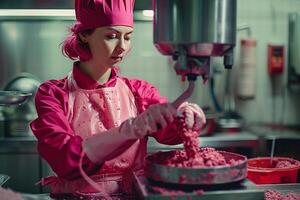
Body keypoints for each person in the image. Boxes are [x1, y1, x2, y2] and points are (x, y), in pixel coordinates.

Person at [30, 0, 206, 198]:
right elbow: (66, 159)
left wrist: (185, 116)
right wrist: (130, 130)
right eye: (111, 36)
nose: (122, 47)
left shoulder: (138, 91)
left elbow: (169, 131)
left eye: (128, 37)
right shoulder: (53, 94)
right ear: (84, 35)